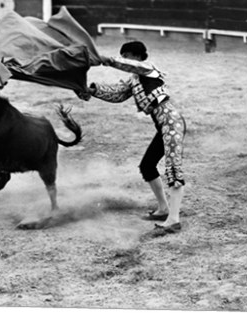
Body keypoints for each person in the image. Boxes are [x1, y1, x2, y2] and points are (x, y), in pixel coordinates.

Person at [76, 41, 187, 235]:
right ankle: (163, 209)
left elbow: (130, 66)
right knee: (147, 166)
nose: (124, 60)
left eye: (126, 55)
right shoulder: (135, 79)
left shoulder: (148, 68)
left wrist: (106, 60)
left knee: (173, 169)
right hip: (163, 125)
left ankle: (174, 220)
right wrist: (92, 91)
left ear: (135, 56)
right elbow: (117, 94)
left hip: (171, 122)